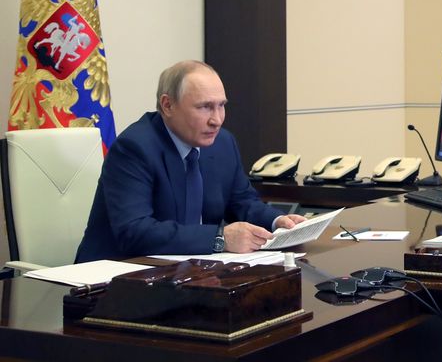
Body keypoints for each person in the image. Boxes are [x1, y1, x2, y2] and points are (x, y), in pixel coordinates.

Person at [76, 61, 306, 262]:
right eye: (204, 107)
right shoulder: (135, 148)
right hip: (114, 281)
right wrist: (219, 239)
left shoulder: (222, 143)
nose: (217, 120)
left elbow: (242, 202)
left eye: (221, 106)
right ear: (167, 105)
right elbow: (135, 232)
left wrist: (278, 222)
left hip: (187, 275)